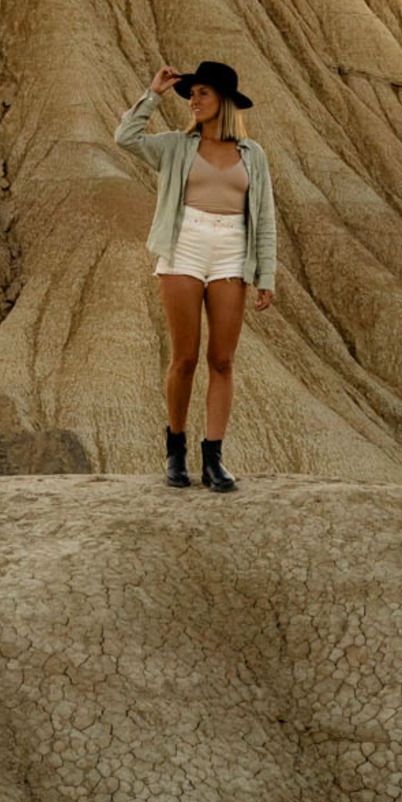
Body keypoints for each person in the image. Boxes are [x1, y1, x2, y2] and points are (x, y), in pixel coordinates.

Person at [113, 60, 276, 493]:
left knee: (222, 360)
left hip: (232, 253)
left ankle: (214, 458)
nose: (194, 100)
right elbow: (125, 137)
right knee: (184, 358)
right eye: (192, 93)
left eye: (203, 93)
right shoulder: (175, 146)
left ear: (224, 100)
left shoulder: (253, 154)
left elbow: (265, 217)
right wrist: (154, 94)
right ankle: (176, 450)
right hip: (184, 245)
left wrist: (267, 275)